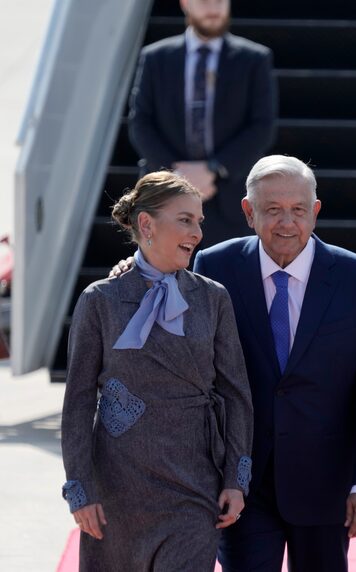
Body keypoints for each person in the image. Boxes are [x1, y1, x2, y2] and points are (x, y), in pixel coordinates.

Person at [193, 155, 356, 571]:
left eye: (298, 210)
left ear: (315, 212)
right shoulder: (213, 268)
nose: (287, 222)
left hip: (327, 486)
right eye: (272, 210)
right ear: (249, 213)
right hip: (241, 483)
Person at [61, 171, 254, 570]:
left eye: (199, 220)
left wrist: (237, 479)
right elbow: (78, 402)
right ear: (146, 224)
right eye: (185, 219)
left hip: (195, 486)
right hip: (117, 491)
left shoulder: (213, 298)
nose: (197, 232)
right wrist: (81, 489)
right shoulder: (100, 300)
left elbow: (237, 394)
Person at [129, 0, 276, 247]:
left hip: (231, 196)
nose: (214, 7)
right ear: (185, 3)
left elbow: (262, 126)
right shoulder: (155, 57)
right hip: (166, 196)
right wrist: (178, 173)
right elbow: (140, 122)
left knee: (230, 281)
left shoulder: (254, 58)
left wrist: (213, 168)